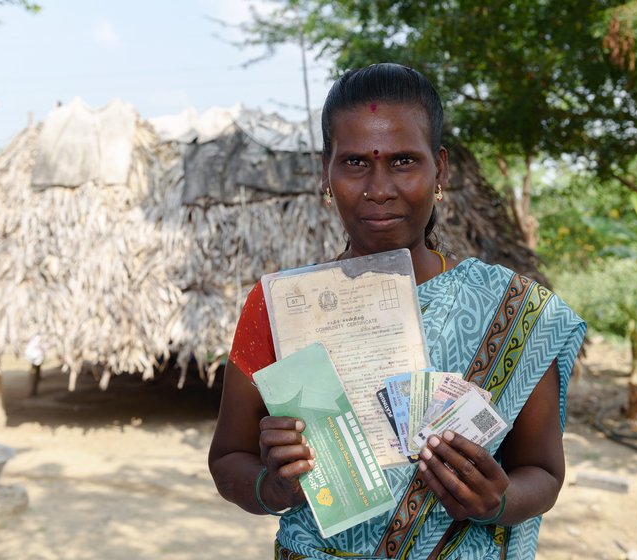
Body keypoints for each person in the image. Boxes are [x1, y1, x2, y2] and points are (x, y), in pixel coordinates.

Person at [209, 63, 586, 560]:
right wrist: (275, 487)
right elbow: (228, 460)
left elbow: (543, 473)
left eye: (404, 161)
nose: (379, 188)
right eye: (355, 163)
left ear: (440, 170)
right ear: (327, 172)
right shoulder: (282, 307)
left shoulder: (510, 308)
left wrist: (496, 500)